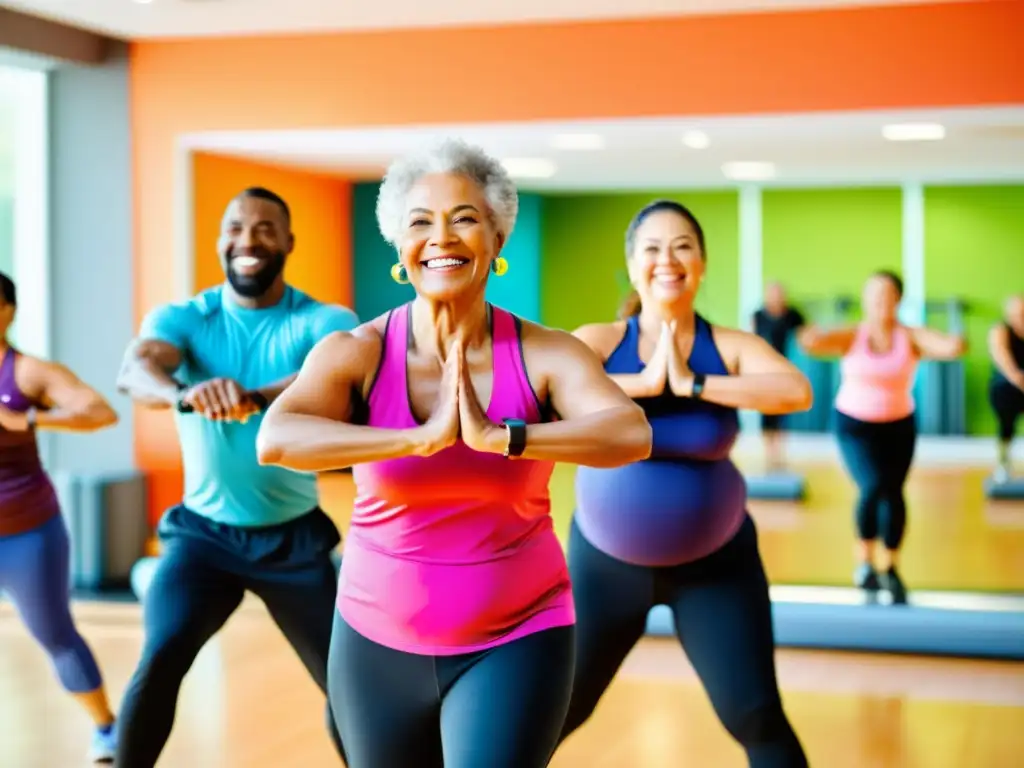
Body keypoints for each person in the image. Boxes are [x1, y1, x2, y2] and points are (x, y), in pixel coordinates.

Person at [255, 139, 653, 768]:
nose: (442, 236)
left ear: (497, 240)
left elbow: (630, 433)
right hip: (373, 642)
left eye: (465, 218)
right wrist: (414, 438)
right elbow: (277, 439)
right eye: (421, 222)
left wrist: (507, 438)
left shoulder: (545, 353)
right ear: (399, 246)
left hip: (518, 636)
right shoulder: (355, 352)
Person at [558, 200, 812, 768]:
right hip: (605, 568)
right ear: (632, 265)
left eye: (681, 246)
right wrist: (645, 383)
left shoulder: (726, 347)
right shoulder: (597, 341)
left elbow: (794, 390)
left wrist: (695, 384)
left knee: (755, 714)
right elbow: (547, 398)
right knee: (553, 710)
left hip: (716, 568)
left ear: (701, 263)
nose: (666, 260)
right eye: (651, 248)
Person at [113, 187, 358, 766]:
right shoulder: (185, 319)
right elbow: (135, 369)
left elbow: (329, 379)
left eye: (265, 229)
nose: (248, 240)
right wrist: (185, 393)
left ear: (288, 243)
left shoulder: (322, 319)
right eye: (236, 227)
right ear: (222, 240)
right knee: (161, 656)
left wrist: (250, 394)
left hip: (293, 538)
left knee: (349, 685)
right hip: (203, 539)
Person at [0, 272, 121, 763]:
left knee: (54, 633)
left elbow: (98, 411)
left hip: (26, 533)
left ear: (7, 310)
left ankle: (107, 727)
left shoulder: (27, 373)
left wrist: (29, 418)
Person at [798, 271, 965, 604]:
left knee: (893, 493)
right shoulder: (852, 335)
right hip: (854, 424)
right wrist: (810, 334)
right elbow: (813, 343)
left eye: (886, 294)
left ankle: (890, 568)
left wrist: (954, 343)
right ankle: (864, 564)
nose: (880, 300)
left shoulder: (910, 336)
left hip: (899, 424)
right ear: (865, 299)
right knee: (873, 486)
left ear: (898, 299)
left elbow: (947, 347)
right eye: (873, 294)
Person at [752, 282, 806, 472]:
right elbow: (753, 339)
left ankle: (779, 453)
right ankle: (769, 453)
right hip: (764, 370)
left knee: (783, 410)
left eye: (779, 293)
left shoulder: (793, 315)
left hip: (786, 370)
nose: (777, 297)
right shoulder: (758, 315)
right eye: (773, 293)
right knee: (766, 411)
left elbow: (805, 335)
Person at [988, 295, 1024, 484]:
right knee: (1006, 424)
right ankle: (1003, 463)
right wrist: (1018, 379)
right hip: (1006, 387)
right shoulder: (1000, 331)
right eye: (1016, 313)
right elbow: (1005, 362)